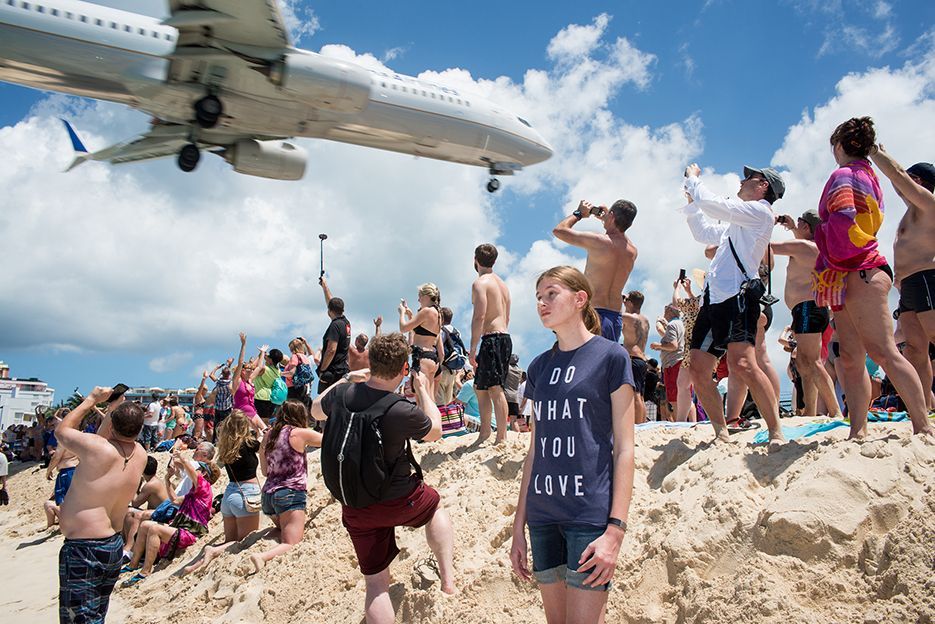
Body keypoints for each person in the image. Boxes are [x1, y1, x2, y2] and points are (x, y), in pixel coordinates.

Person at [510, 266, 635, 623]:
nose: (542, 303)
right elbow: (535, 452)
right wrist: (518, 527)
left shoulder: (611, 356)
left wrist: (615, 530)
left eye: (551, 293)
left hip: (589, 515)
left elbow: (625, 448)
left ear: (580, 299)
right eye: (538, 297)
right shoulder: (537, 368)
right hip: (543, 516)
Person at [312, 333, 455, 622]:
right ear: (404, 369)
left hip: (356, 506)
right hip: (400, 499)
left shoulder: (341, 395)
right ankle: (448, 581)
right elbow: (436, 431)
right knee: (435, 506)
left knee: (376, 586)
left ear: (371, 363)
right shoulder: (399, 408)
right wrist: (424, 389)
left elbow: (315, 409)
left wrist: (347, 378)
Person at [812, 117, 932, 438]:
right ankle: (858, 430)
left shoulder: (845, 175)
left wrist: (821, 240)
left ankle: (923, 426)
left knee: (883, 352)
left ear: (839, 146)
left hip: (858, 268)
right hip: (853, 271)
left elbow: (843, 224)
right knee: (850, 358)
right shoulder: (868, 175)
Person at [681, 161, 785, 444]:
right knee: (698, 369)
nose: (741, 182)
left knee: (744, 364)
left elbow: (713, 206)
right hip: (714, 299)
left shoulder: (761, 212)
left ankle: (776, 431)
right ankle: (721, 433)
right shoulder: (738, 224)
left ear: (763, 186)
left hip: (736, 298)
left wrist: (693, 179)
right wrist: (691, 203)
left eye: (748, 178)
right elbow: (702, 232)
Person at [55, 386, 147, 623]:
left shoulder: (98, 449)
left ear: (114, 426)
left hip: (84, 549)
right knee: (95, 614)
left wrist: (92, 399)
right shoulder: (140, 454)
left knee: (80, 619)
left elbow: (62, 430)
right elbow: (108, 437)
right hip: (112, 545)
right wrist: (114, 408)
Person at [869, 148, 935, 412]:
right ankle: (924, 408)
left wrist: (874, 150)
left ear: (917, 181)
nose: (898, 185)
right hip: (909, 286)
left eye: (907, 179)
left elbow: (895, 174)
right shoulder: (911, 212)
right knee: (914, 350)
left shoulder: (927, 202)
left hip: (927, 278)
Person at [771, 209, 841, 418]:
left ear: (807, 227)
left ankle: (835, 411)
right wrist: (793, 227)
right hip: (811, 308)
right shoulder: (816, 247)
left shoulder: (803, 246)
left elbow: (767, 248)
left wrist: (765, 222)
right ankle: (810, 411)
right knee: (804, 362)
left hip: (807, 308)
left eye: (800, 221)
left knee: (812, 362)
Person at [123, 452, 220, 586]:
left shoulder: (204, 487)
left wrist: (181, 457)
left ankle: (145, 571)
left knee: (155, 528)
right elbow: (174, 499)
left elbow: (192, 471)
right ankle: (133, 564)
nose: (193, 472)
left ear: (203, 474)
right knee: (145, 524)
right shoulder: (193, 493)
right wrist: (168, 479)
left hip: (192, 533)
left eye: (198, 470)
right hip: (182, 529)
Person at [184, 409, 261, 574]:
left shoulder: (226, 446)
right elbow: (260, 440)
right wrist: (254, 424)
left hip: (229, 495)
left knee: (230, 540)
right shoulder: (248, 443)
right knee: (245, 542)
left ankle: (197, 565)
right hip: (245, 494)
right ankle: (212, 551)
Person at [250, 399, 323, 573]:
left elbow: (265, 472)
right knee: (291, 543)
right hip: (289, 493)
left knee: (283, 527)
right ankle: (262, 557)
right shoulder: (299, 433)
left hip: (268, 497)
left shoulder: (269, 436)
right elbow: (330, 440)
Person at [552, 200, 638, 342]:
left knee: (581, 360)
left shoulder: (600, 241)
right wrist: (608, 219)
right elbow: (621, 234)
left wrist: (579, 213)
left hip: (594, 314)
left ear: (612, 215)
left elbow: (559, 231)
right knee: (605, 362)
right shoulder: (632, 251)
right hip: (615, 317)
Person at [121, 440, 215, 560]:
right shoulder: (196, 468)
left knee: (140, 515)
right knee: (137, 516)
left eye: (197, 449)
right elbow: (173, 468)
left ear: (205, 455)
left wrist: (176, 448)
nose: (195, 449)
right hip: (176, 504)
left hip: (177, 508)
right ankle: (131, 550)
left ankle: (131, 551)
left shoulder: (197, 466)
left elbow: (175, 463)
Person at [469, 243, 513, 444]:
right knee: (480, 387)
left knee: (495, 388)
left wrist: (472, 348)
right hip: (503, 336)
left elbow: (479, 316)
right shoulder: (502, 284)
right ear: (494, 261)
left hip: (491, 337)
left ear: (475, 260)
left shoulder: (480, 283)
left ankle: (501, 436)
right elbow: (508, 316)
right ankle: (485, 432)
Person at [399, 283, 445, 400]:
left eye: (419, 296)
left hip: (421, 358)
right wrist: (411, 316)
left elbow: (403, 328)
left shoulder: (426, 311)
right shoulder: (438, 314)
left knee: (421, 400)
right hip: (432, 358)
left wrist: (402, 313)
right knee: (429, 399)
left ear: (426, 296)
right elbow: (422, 330)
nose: (418, 299)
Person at [651, 305, 688, 422]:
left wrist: (659, 346)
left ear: (670, 311)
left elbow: (673, 345)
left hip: (673, 363)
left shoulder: (672, 325)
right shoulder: (680, 324)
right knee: (684, 395)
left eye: (666, 309)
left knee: (674, 398)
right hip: (679, 361)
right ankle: (686, 421)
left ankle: (680, 423)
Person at [318, 277, 352, 393]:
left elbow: (331, 350)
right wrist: (324, 286)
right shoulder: (345, 322)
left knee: (324, 407)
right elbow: (332, 303)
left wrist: (322, 369)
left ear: (329, 311)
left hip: (332, 373)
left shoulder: (335, 326)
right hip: (342, 372)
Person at [622, 290, 650, 424]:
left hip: (633, 358)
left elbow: (610, 312)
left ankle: (638, 425)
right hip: (642, 359)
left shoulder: (628, 317)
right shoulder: (645, 320)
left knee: (635, 394)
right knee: (640, 395)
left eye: (625, 299)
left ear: (630, 302)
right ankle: (642, 423)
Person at [230, 333, 265, 434]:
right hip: (240, 413)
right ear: (242, 371)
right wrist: (243, 345)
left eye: (250, 369)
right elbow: (240, 362)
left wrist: (262, 353)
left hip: (252, 411)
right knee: (249, 434)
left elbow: (259, 367)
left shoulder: (250, 380)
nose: (250, 370)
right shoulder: (238, 381)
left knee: (264, 431)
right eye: (247, 369)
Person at [44, 443, 79, 530]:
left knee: (65, 501)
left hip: (67, 471)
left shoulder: (65, 440)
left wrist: (48, 471)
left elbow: (56, 457)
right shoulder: (78, 438)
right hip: (78, 470)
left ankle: (68, 523)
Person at [253, 346, 284, 422]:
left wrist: (261, 354)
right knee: (266, 422)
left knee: (259, 422)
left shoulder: (264, 369)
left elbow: (253, 366)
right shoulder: (278, 371)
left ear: (271, 360)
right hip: (271, 398)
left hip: (260, 397)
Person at [283, 337, 315, 405]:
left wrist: (280, 373)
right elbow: (312, 356)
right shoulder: (304, 357)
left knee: (293, 408)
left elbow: (291, 373)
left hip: (294, 387)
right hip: (304, 386)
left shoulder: (294, 356)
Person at [209, 361, 234, 435]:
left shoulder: (218, 382)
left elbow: (211, 375)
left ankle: (215, 441)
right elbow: (231, 376)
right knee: (226, 426)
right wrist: (229, 366)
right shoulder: (230, 382)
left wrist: (216, 368)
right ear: (229, 374)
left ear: (222, 374)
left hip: (218, 407)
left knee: (217, 426)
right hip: (227, 407)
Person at [504, 354, 524, 431]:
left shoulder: (507, 368)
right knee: (514, 420)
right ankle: (516, 436)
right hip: (515, 397)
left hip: (506, 395)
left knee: (503, 419)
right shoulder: (519, 371)